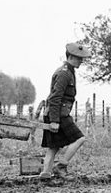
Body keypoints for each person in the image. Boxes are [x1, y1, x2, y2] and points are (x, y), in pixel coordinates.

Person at [39, 43, 91, 180]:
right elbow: (55, 97)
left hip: (56, 113)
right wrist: (55, 120)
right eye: (79, 58)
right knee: (80, 138)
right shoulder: (64, 73)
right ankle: (61, 166)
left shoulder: (69, 71)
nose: (81, 61)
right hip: (59, 114)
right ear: (71, 57)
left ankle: (46, 174)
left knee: (54, 146)